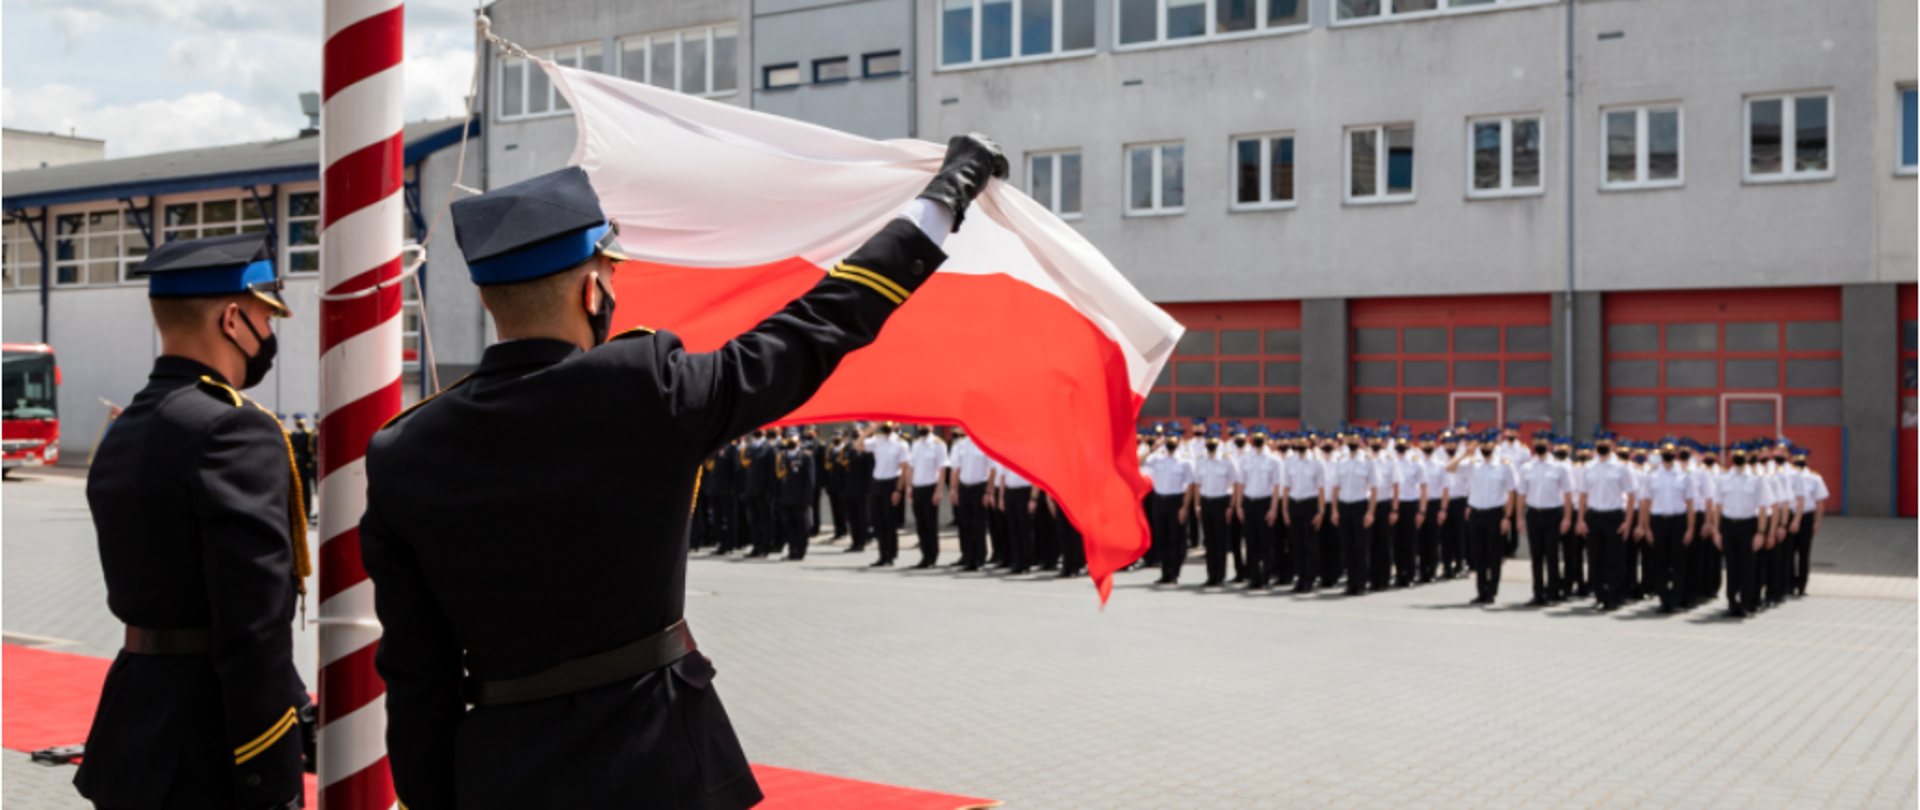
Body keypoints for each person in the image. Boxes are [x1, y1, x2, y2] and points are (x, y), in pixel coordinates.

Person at [359, 138, 1007, 809]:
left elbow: (416, 675)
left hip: (502, 774)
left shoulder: (404, 450)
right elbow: (821, 324)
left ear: (491, 298)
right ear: (593, 287)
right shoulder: (649, 389)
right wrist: (943, 200)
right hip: (660, 762)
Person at [78, 233, 314, 810]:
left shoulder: (126, 426)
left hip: (133, 723)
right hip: (210, 741)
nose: (269, 334)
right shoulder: (234, 429)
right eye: (265, 316)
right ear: (233, 318)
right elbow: (253, 624)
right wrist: (271, 769)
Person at [1448, 432, 1519, 606]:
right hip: (1476, 513)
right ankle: (1481, 591)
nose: (1486, 448)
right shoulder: (1473, 464)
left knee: (1494, 555)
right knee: (1478, 555)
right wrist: (1465, 454)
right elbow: (1449, 468)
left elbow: (1512, 492)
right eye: (1483, 446)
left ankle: (1491, 592)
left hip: (1495, 514)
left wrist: (1507, 517)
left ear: (1494, 446)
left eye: (1489, 445)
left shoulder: (1503, 465)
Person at [1638, 439, 1698, 614]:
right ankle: (1664, 599)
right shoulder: (1652, 475)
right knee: (1660, 563)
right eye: (1665, 450)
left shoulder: (1685, 475)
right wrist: (1646, 528)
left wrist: (1691, 528)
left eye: (1671, 450)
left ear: (1676, 452)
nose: (1668, 453)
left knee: (1679, 563)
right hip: (1658, 522)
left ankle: (1676, 599)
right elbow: (1645, 504)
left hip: (1678, 521)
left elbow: (1690, 504)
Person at [1713, 445, 1773, 618]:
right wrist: (1717, 531)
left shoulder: (1757, 479)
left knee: (1748, 565)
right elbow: (1718, 506)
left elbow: (1763, 508)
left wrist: (1761, 532)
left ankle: (1747, 603)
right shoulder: (1723, 479)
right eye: (1735, 454)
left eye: (1741, 454)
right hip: (1729, 525)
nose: (1738, 457)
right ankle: (1732, 602)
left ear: (1747, 456)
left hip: (1748, 526)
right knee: (1731, 566)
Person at [1516, 433, 1574, 607]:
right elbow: (1521, 494)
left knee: (1552, 555)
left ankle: (1552, 593)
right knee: (1536, 556)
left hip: (1552, 514)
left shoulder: (1559, 467)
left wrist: (1567, 518)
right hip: (1533, 514)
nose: (1540, 444)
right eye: (1537, 441)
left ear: (1549, 445)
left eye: (1543, 442)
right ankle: (1538, 593)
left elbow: (1568, 493)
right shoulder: (1527, 467)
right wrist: (1519, 518)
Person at [1141, 433, 1196, 585]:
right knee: (1161, 538)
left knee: (1176, 539)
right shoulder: (1157, 458)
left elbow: (1191, 485)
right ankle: (1165, 572)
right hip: (1160, 500)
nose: (1170, 444)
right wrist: (1152, 449)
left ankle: (1174, 572)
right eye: (1168, 441)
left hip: (1176, 501)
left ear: (1178, 442)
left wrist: (1185, 507)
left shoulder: (1185, 461)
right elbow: (1138, 462)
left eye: (1173, 441)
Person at [856, 422, 911, 567]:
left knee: (890, 521)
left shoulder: (901, 444)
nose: (886, 425)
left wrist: (899, 490)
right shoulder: (877, 440)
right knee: (878, 521)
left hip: (892, 484)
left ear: (895, 426)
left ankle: (890, 555)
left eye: (889, 423)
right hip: (877, 483)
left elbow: (904, 468)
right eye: (884, 423)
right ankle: (882, 554)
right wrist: (869, 430)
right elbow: (857, 445)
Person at [1330, 430, 1378, 596]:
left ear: (1360, 440)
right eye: (1349, 438)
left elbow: (1374, 488)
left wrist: (1370, 512)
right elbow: (1335, 487)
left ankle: (1361, 583)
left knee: (1361, 547)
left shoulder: (1367, 460)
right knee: (1347, 547)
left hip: (1360, 506)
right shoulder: (1340, 460)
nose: (1351, 441)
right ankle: (1350, 583)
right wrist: (1334, 510)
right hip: (1344, 506)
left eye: (1354, 438)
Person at [1191, 432, 1242, 588]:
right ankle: (1211, 575)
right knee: (1209, 541)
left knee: (1220, 541)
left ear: (1219, 442)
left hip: (1222, 502)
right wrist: (1197, 505)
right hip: (1206, 502)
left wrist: (1231, 506)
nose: (1210, 443)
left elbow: (1235, 484)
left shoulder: (1227, 460)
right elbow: (1197, 485)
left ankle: (1220, 576)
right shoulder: (1200, 460)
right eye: (1208, 440)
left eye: (1213, 440)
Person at [1237, 429, 1284, 590]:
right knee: (1251, 542)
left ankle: (1266, 576)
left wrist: (1273, 509)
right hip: (1249, 502)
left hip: (1265, 503)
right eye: (1255, 436)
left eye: (1260, 437)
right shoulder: (1246, 458)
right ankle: (1253, 577)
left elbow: (1277, 487)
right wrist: (1239, 506)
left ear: (1266, 438)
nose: (1257, 439)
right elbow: (1241, 484)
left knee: (1266, 543)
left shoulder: (1273, 459)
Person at [1282, 432, 1328, 594]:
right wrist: (1285, 511)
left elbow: (1322, 489)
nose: (1299, 445)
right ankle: (1299, 578)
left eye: (1302, 443)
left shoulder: (1316, 463)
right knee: (1296, 544)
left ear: (1308, 444)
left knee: (1310, 545)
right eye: (1297, 442)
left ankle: (1309, 578)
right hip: (1294, 505)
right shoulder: (1289, 462)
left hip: (1310, 505)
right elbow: (1286, 488)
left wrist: (1321, 511)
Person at [948, 428, 993, 571]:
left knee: (979, 525)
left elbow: (993, 470)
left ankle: (979, 558)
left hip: (979, 488)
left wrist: (989, 492)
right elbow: (956, 469)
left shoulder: (984, 442)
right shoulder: (961, 444)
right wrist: (953, 489)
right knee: (965, 524)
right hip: (964, 488)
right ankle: (968, 557)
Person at [907, 424, 951, 568]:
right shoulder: (915, 444)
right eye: (920, 425)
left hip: (930, 488)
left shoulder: (938, 444)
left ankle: (932, 557)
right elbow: (911, 467)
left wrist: (938, 491)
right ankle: (924, 555)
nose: (922, 427)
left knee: (930, 524)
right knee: (920, 525)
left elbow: (942, 469)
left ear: (931, 427)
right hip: (917, 488)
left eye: (925, 425)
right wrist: (908, 488)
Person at [777, 433, 816, 560]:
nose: (791, 443)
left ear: (799, 442)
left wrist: (808, 498)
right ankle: (792, 550)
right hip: (786, 497)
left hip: (800, 498)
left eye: (793, 441)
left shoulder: (805, 456)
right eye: (789, 441)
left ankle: (800, 551)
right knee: (789, 526)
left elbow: (810, 479)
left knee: (801, 526)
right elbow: (778, 478)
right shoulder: (783, 456)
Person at [703, 440, 742, 554]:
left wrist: (734, 488)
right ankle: (720, 542)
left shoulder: (731, 448)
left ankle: (729, 544)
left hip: (726, 491)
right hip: (713, 489)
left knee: (728, 519)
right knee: (717, 518)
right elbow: (707, 470)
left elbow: (736, 469)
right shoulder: (712, 450)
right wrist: (706, 486)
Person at [742, 428, 777, 557]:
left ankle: (765, 547)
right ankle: (756, 546)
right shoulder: (750, 447)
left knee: (765, 521)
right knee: (754, 520)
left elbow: (771, 472)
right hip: (750, 490)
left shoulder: (769, 448)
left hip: (763, 491)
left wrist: (770, 491)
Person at [289, 413, 318, 519]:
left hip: (305, 464)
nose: (299, 422)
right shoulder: (292, 434)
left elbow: (309, 450)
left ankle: (306, 511)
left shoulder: (308, 434)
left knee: (306, 489)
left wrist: (309, 465)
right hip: (295, 464)